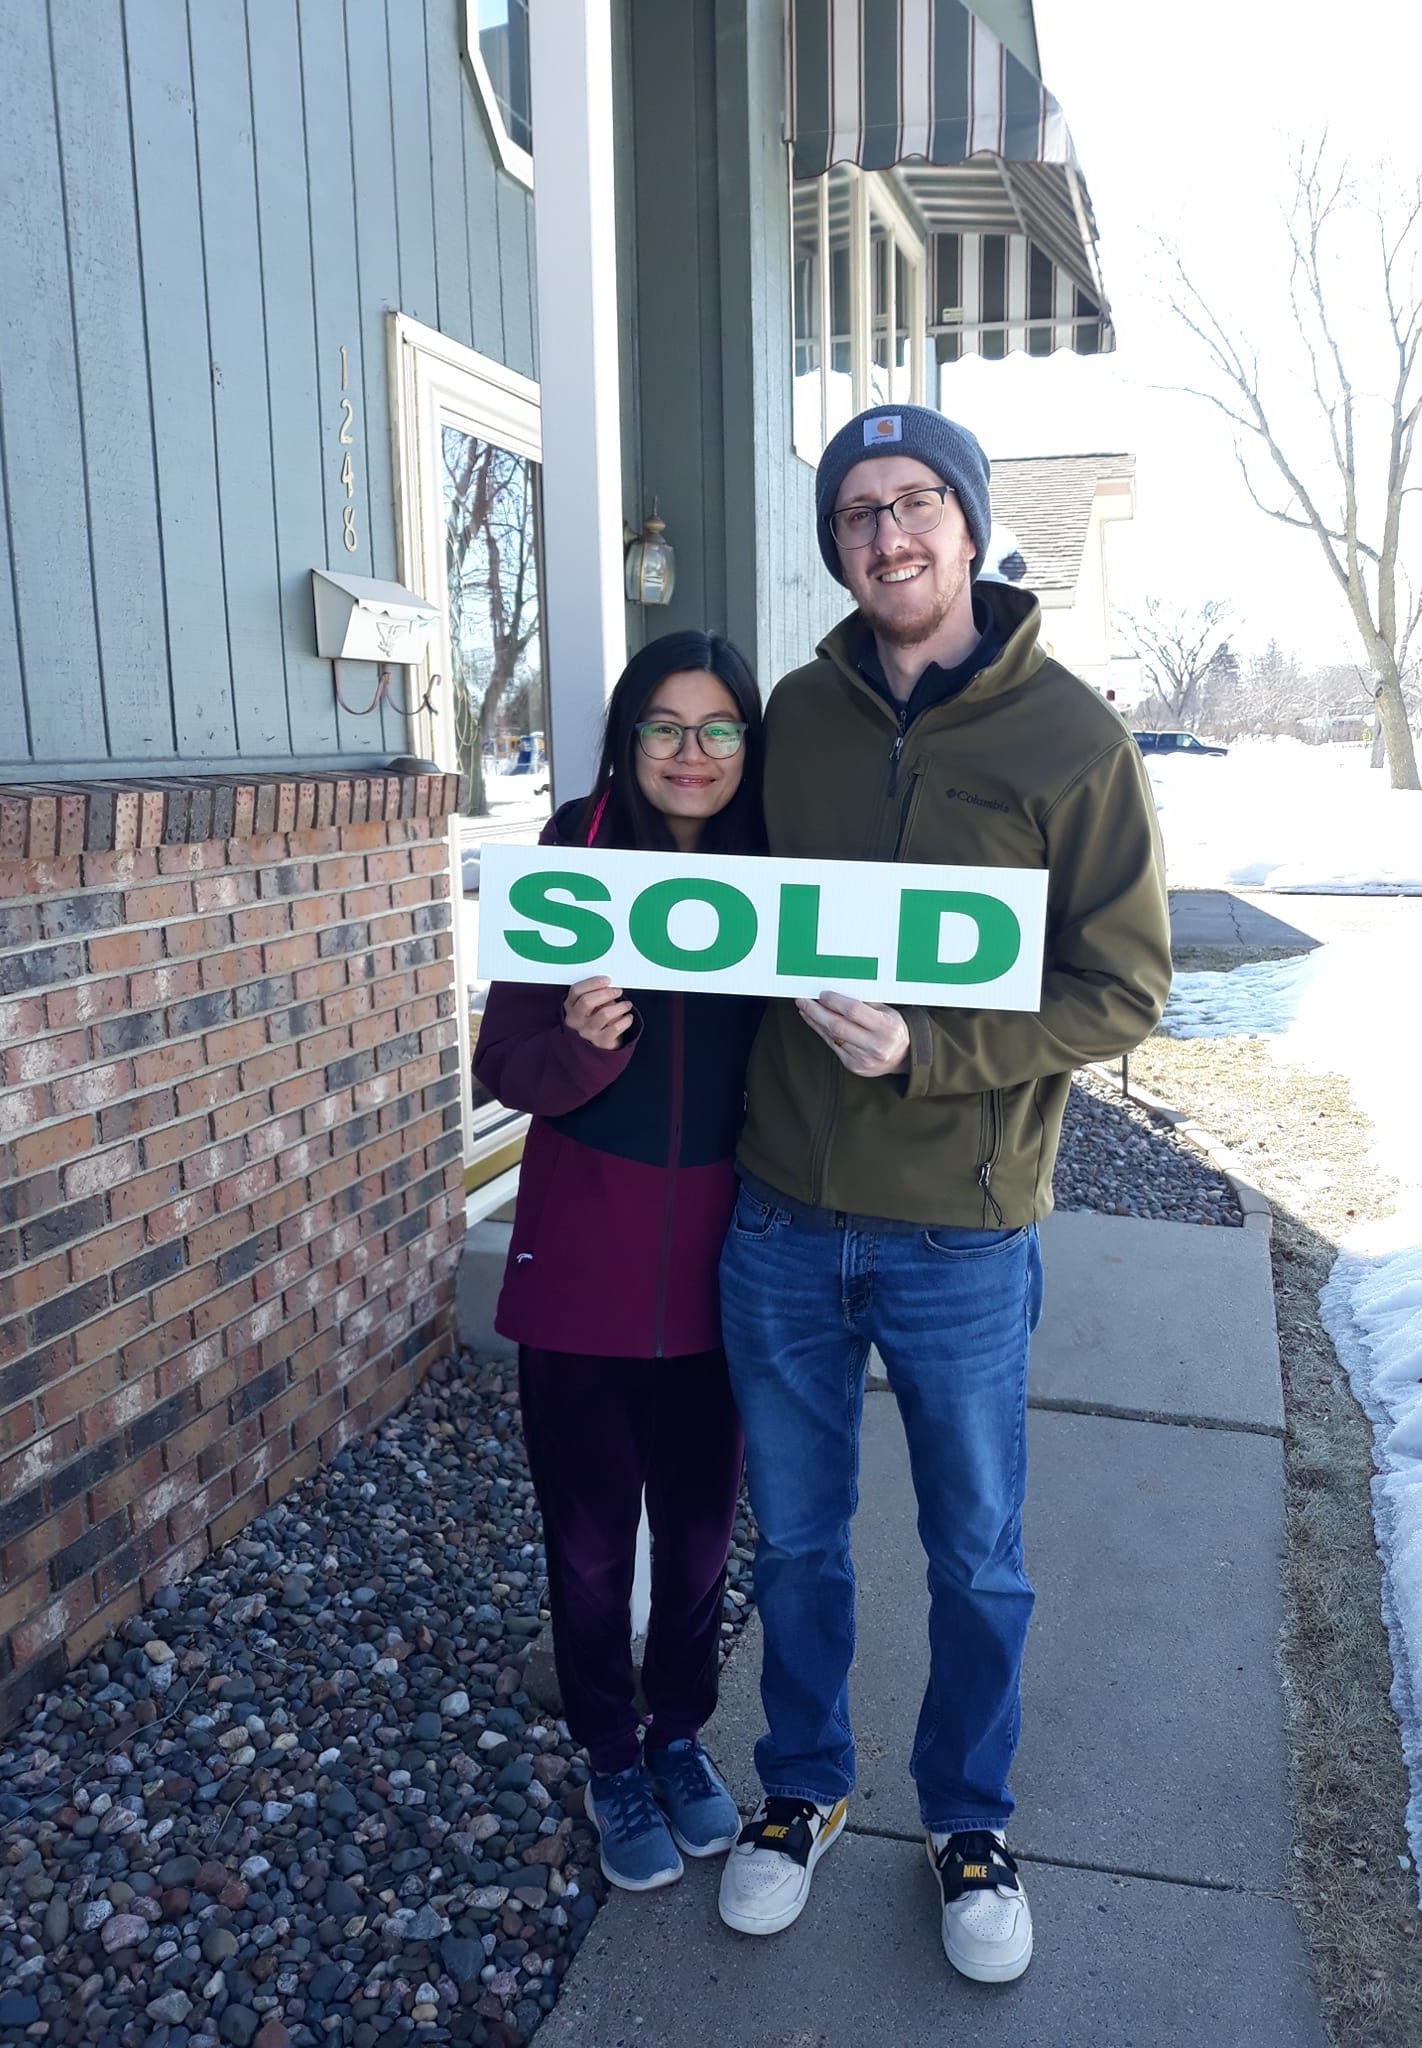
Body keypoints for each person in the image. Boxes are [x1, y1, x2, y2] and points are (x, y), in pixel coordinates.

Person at [715, 406, 1172, 1982]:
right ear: (837, 546)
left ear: (969, 526)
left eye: (916, 502)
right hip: (781, 1216)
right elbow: (718, 895)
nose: (888, 533)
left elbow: (1122, 989)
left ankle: (970, 1821)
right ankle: (803, 1788)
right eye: (858, 512)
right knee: (798, 1545)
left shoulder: (1073, 740)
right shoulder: (798, 713)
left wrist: (934, 1051)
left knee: (978, 1557)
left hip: (960, 1232)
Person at [473, 630, 765, 1892]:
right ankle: (609, 1752)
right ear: (627, 737)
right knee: (590, 1543)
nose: (691, 752)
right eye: (664, 725)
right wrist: (582, 1050)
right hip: (582, 1261)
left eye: (718, 727)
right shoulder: (570, 859)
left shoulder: (784, 871)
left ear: (748, 743)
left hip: (728, 1270)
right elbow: (504, 1064)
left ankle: (678, 1734)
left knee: (699, 1538)